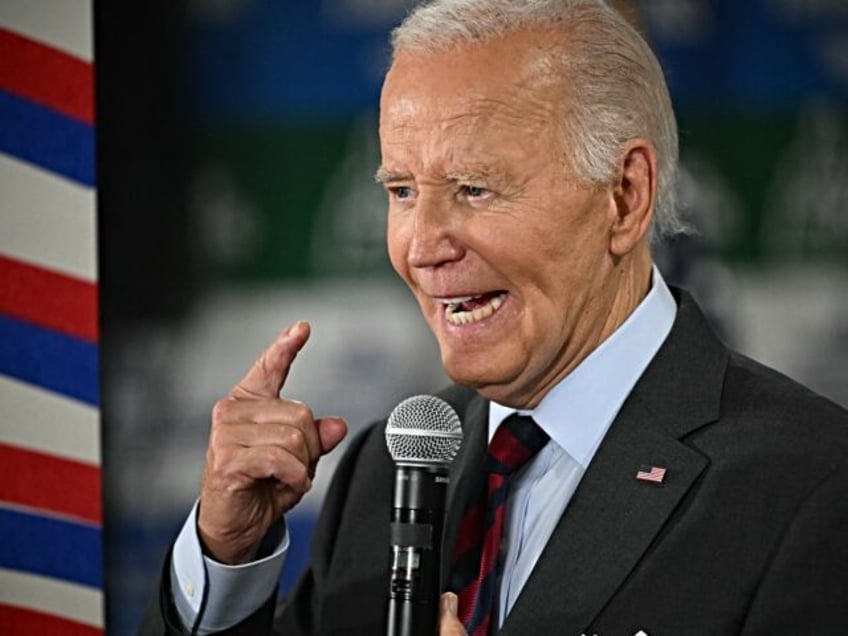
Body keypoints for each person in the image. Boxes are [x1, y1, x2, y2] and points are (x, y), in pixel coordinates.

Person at [140, 1, 848, 634]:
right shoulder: (383, 471)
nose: (423, 246)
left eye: (475, 189)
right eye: (402, 190)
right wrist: (226, 559)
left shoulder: (811, 488)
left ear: (625, 198)